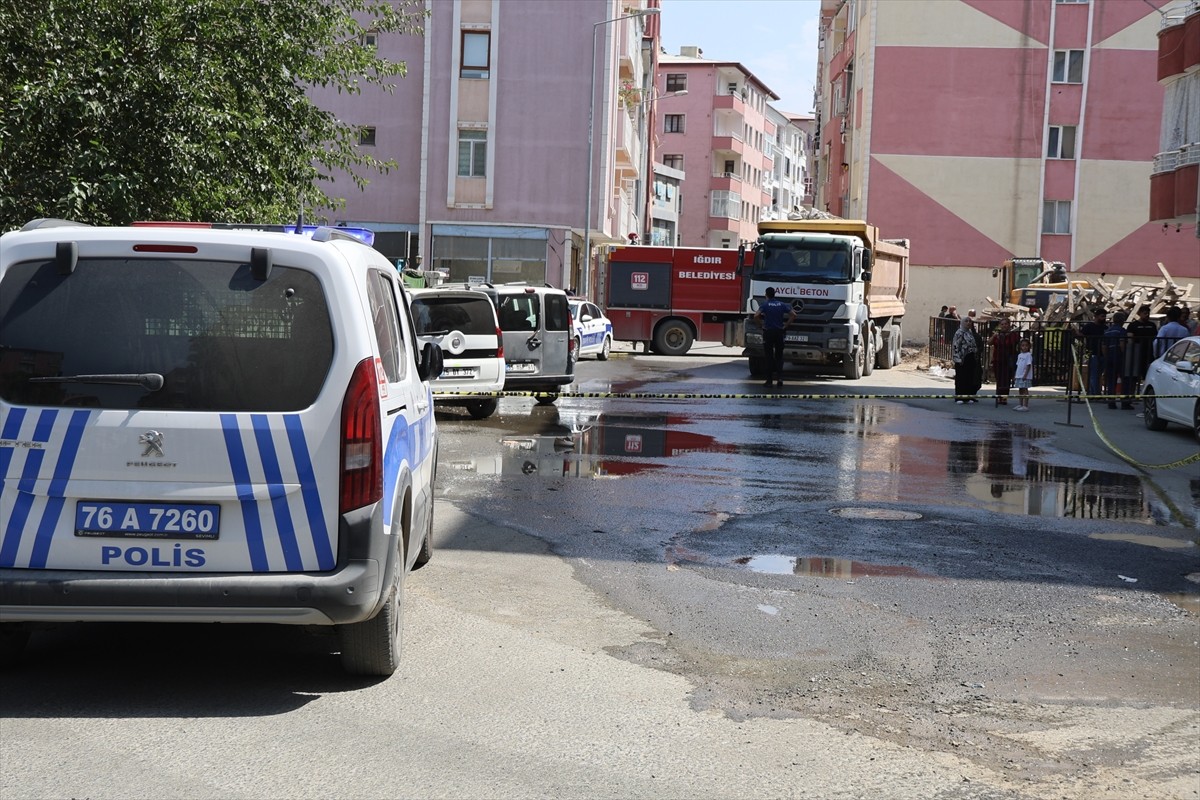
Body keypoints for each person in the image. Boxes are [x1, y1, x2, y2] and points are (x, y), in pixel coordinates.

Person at [754, 286, 796, 387]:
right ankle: (780, 378)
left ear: (766, 295)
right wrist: (785, 326)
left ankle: (769, 381)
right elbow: (794, 315)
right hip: (779, 332)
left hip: (768, 332)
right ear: (774, 294)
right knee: (779, 356)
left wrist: (761, 325)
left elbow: (756, 316)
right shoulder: (781, 304)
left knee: (769, 356)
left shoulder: (765, 305)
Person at [1126, 304, 1158, 390]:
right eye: (1145, 313)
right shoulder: (1133, 325)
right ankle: (1132, 392)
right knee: (1134, 375)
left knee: (1148, 374)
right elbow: (1130, 338)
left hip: (1149, 353)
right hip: (1137, 353)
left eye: (1148, 313)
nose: (1147, 315)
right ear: (1139, 313)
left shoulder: (1152, 325)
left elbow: (1155, 338)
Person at [989, 317, 1021, 405]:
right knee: (999, 378)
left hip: (1008, 359)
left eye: (1006, 324)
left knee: (1006, 379)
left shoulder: (1013, 334)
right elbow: (989, 343)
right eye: (1002, 324)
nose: (1004, 326)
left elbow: (1018, 343)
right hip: (998, 359)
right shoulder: (997, 334)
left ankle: (1004, 398)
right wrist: (994, 336)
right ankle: (999, 396)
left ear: (1009, 325)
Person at [1078, 307, 1107, 400]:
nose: (1104, 318)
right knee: (1094, 374)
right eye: (1102, 316)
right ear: (1096, 316)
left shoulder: (1105, 327)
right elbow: (1081, 335)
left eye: (1105, 316)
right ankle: (1095, 394)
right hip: (1092, 352)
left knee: (1098, 375)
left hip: (1103, 354)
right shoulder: (1089, 326)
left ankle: (1093, 393)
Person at [952, 316, 981, 403]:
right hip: (962, 358)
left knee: (969, 377)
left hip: (970, 358)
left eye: (970, 321)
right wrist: (958, 359)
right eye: (966, 321)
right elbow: (956, 346)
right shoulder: (959, 333)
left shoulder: (969, 332)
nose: (968, 323)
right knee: (961, 378)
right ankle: (959, 397)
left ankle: (967, 397)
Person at [1102, 310, 1128, 409]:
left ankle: (1111, 402)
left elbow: (1104, 346)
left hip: (1109, 356)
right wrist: (1124, 354)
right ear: (1123, 320)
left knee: (1111, 380)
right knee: (1124, 379)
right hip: (1119, 356)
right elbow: (1122, 344)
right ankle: (1124, 402)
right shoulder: (1121, 331)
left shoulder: (1107, 331)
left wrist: (1106, 356)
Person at [1013, 337, 1033, 411]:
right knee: (1020, 389)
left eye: (1026, 345)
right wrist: (1015, 375)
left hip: (1025, 376)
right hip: (1019, 375)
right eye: (1023, 345)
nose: (1024, 347)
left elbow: (1028, 365)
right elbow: (1018, 365)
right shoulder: (1020, 355)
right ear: (1020, 346)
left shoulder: (1028, 355)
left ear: (1029, 346)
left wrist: (1025, 375)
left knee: (1025, 389)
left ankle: (1025, 405)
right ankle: (1020, 404)